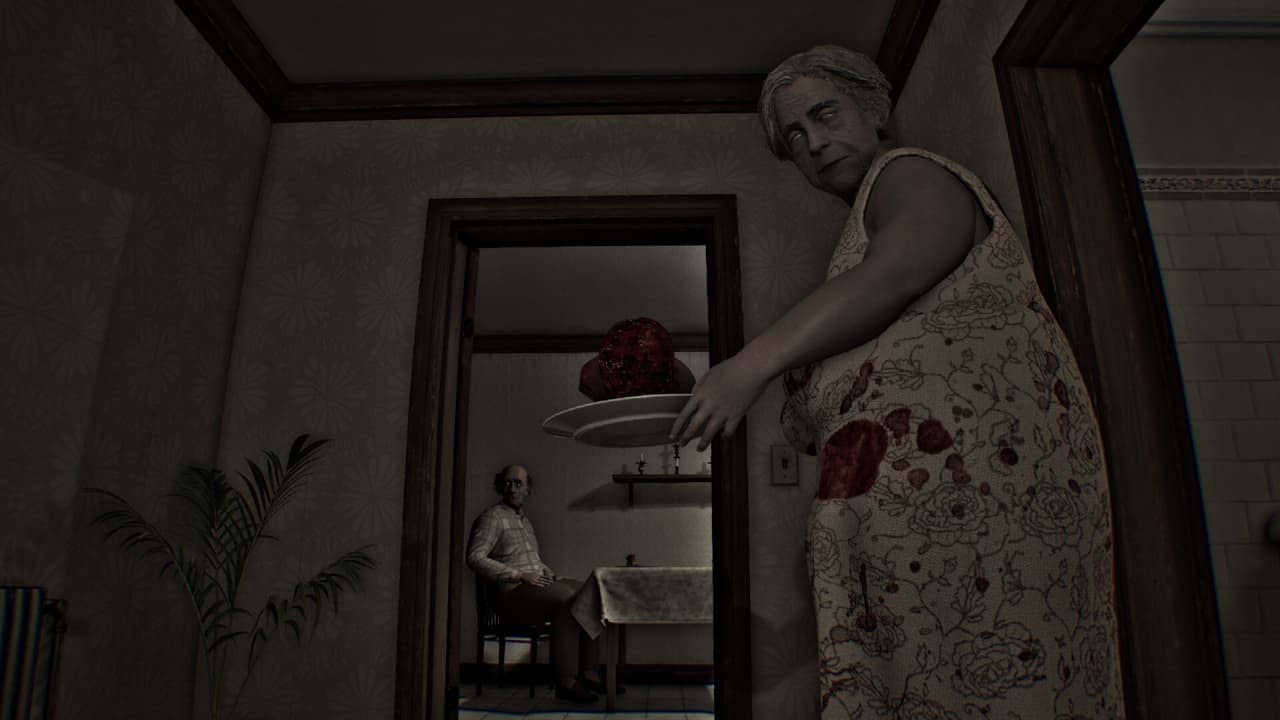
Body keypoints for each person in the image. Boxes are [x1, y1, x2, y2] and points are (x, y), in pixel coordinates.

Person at [671, 45, 1125, 718]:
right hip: (920, 529)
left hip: (980, 511)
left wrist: (749, 364)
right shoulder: (862, 221)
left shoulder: (910, 171)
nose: (813, 143)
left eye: (825, 114)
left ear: (874, 108)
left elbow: (895, 274)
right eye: (794, 136)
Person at [465, 463, 608, 703]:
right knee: (568, 600)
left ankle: (590, 673)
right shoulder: (492, 518)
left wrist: (551, 575)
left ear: (527, 489)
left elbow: (532, 561)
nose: (512, 488)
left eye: (518, 483)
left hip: (531, 588)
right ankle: (567, 681)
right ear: (500, 486)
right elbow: (475, 558)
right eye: (507, 483)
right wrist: (518, 575)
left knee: (588, 593)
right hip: (510, 595)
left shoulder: (525, 521)